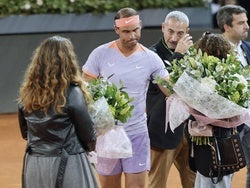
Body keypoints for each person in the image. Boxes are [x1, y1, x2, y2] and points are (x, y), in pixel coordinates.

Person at [82, 7, 169, 188]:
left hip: (137, 134)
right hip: (106, 134)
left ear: (141, 26)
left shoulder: (151, 59)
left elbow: (169, 90)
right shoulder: (100, 54)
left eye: (136, 30)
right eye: (126, 31)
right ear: (116, 30)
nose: (132, 36)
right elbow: (85, 91)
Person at [17, 36, 98, 188]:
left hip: (35, 163)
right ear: (68, 61)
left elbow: (25, 133)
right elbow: (88, 136)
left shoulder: (27, 93)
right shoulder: (72, 93)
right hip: (68, 162)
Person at [216, 4, 250, 188]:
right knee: (226, 169)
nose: (247, 26)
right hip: (228, 121)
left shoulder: (248, 47)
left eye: (246, 22)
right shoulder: (214, 50)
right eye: (241, 23)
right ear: (226, 26)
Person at [146, 11, 195, 188]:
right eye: (170, 31)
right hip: (162, 132)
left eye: (180, 33)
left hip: (190, 131)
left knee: (193, 181)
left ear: (187, 32)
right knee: (157, 183)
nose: (174, 38)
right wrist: (179, 56)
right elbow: (170, 89)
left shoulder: (192, 54)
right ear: (163, 28)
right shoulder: (151, 55)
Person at [188, 32, 238, 188]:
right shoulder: (232, 75)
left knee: (207, 180)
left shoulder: (199, 76)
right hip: (223, 140)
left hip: (211, 142)